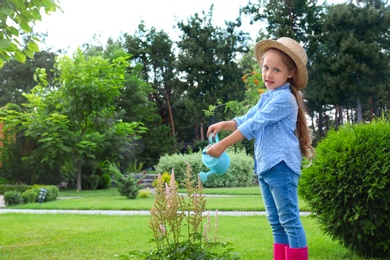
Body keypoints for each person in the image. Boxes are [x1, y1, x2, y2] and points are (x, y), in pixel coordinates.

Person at [206, 37, 314, 260]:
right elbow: (246, 118)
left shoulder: (284, 99)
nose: (268, 74)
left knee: (289, 221)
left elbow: (254, 125)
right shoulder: (267, 97)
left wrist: (223, 145)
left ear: (290, 73)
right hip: (266, 166)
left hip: (281, 165)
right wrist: (223, 125)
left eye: (276, 69)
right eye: (266, 68)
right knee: (276, 222)